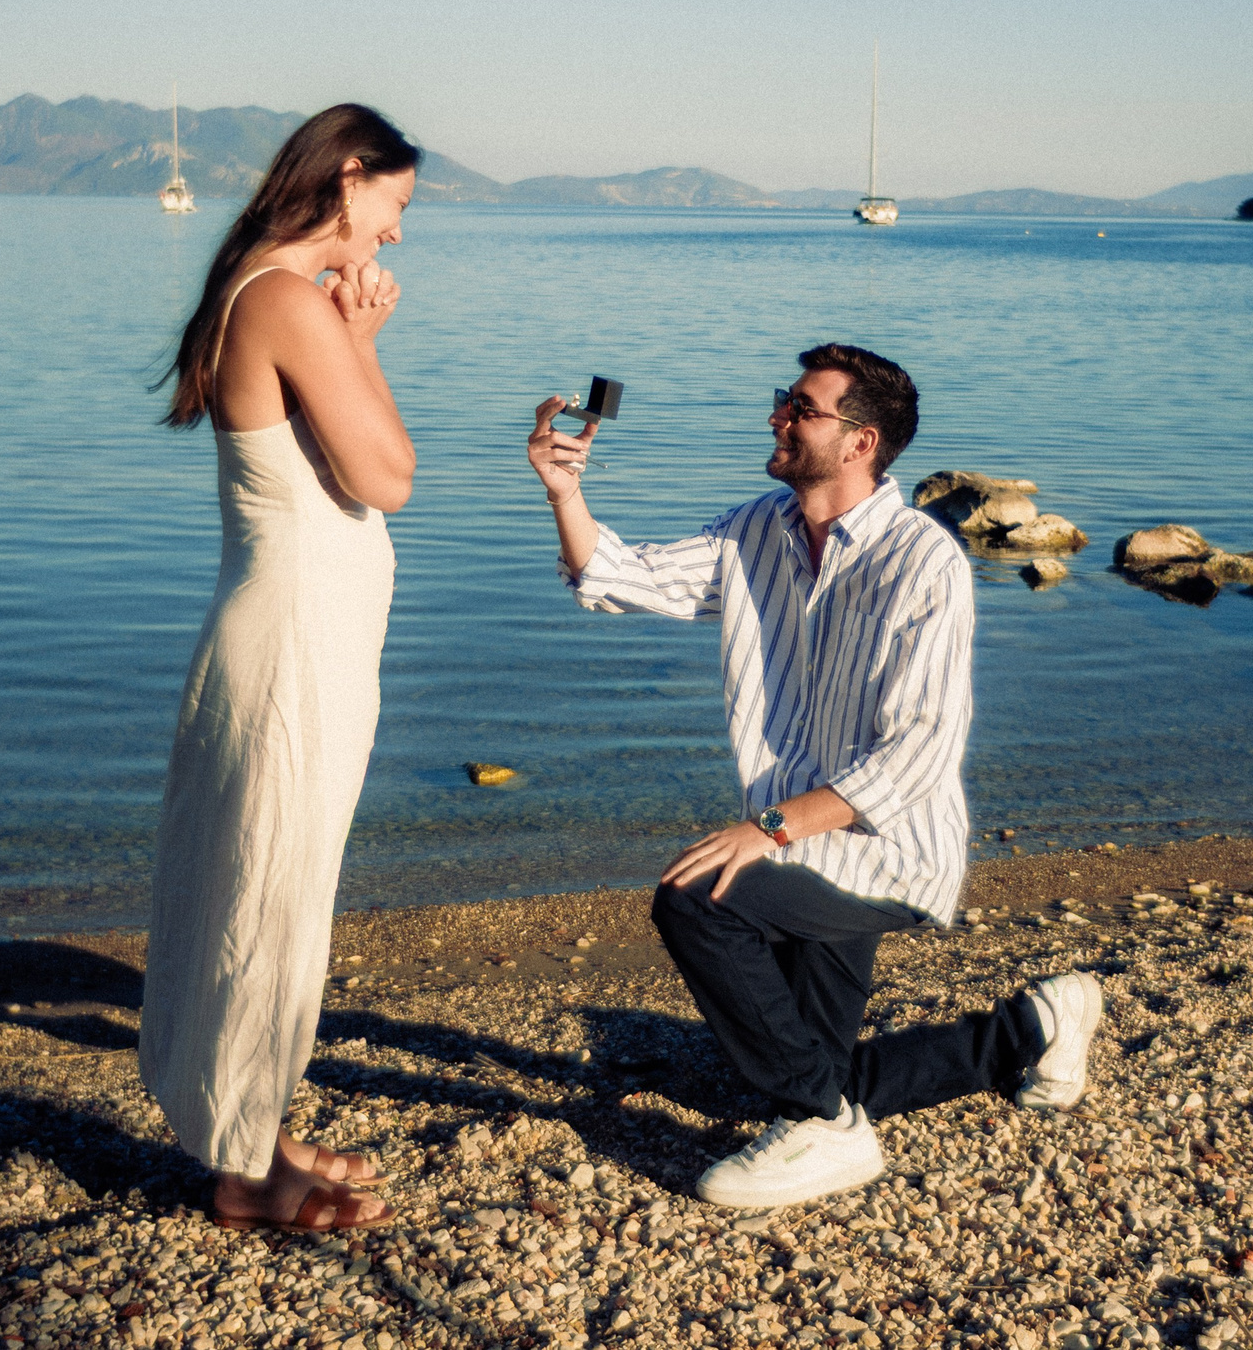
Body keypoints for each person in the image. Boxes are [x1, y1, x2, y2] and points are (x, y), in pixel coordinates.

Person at [525, 344, 1105, 1210]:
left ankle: (827, 1132)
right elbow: (623, 578)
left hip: (885, 847)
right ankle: (1034, 1026)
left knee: (695, 898)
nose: (777, 417)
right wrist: (565, 491)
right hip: (804, 837)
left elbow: (920, 749)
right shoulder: (758, 527)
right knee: (819, 1073)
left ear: (860, 439)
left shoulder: (925, 563)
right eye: (783, 401)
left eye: (800, 407)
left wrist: (769, 828)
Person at [140, 104, 419, 1232]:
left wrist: (356, 344)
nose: (395, 234)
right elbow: (389, 476)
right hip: (295, 641)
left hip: (296, 628)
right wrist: (356, 341)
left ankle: (259, 1130)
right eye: (395, 205)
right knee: (267, 890)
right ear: (349, 182)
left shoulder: (263, 290)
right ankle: (245, 1175)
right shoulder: (289, 300)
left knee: (268, 884)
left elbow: (347, 474)